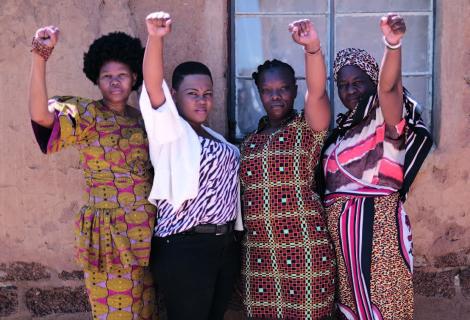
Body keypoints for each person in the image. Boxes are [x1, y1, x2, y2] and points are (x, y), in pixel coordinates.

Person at [29, 27, 156, 319]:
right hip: (108, 236)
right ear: (96, 81)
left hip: (147, 235)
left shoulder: (143, 119)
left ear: (134, 77)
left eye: (122, 75)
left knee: (147, 312)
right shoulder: (87, 115)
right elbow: (41, 116)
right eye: (106, 76)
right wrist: (40, 57)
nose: (115, 82)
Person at [319, 14, 433, 319]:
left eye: (359, 82)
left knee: (383, 307)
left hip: (377, 230)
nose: (350, 90)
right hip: (341, 238)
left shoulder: (387, 118)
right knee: (350, 311)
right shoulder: (340, 131)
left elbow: (389, 88)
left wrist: (392, 45)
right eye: (343, 84)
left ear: (373, 80)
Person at [139, 12, 241, 320]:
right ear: (174, 96)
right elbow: (152, 84)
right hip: (185, 247)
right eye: (192, 94)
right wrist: (156, 38)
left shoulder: (214, 136)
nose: (202, 101)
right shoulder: (168, 131)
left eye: (207, 94)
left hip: (223, 245)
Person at [239, 19, 336, 319]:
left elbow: (318, 94)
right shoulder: (248, 143)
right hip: (259, 258)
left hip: (306, 252)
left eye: (283, 88)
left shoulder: (306, 130)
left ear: (295, 91)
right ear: (259, 93)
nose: (276, 95)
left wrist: (311, 48)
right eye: (267, 90)